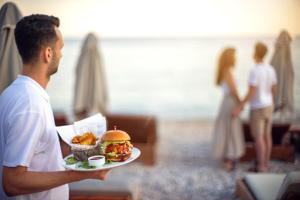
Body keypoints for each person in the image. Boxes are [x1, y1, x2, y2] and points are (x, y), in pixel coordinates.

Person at [0, 14, 110, 200]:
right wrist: (81, 174)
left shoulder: (12, 93)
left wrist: (84, 149)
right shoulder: (30, 104)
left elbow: (35, 152)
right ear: (48, 53)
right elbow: (12, 181)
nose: (62, 54)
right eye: (60, 48)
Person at [234, 42, 277, 172]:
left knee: (259, 138)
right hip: (269, 106)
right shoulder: (271, 69)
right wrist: (272, 102)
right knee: (267, 136)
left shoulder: (255, 70)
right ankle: (266, 163)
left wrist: (240, 106)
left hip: (258, 108)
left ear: (255, 53)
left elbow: (251, 91)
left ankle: (261, 166)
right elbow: (274, 88)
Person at [211, 47, 245, 171]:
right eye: (234, 56)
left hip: (227, 101)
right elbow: (233, 90)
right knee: (230, 130)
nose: (236, 58)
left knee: (227, 129)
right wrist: (241, 102)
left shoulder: (225, 71)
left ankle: (228, 158)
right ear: (230, 58)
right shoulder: (228, 71)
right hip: (230, 101)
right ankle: (229, 159)